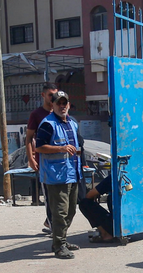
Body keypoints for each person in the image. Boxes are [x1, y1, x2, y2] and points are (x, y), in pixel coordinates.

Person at [35, 91, 84, 259]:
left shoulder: (72, 123)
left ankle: (62, 239)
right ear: (53, 105)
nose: (62, 106)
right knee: (60, 212)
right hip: (56, 176)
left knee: (71, 211)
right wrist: (61, 148)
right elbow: (39, 147)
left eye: (65, 103)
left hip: (72, 173)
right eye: (59, 103)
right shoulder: (48, 124)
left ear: (68, 105)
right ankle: (58, 245)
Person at [27, 83, 60, 234]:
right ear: (43, 95)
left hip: (61, 162)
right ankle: (55, 229)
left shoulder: (61, 112)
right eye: (50, 95)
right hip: (45, 162)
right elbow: (28, 138)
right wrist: (31, 159)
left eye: (56, 94)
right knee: (48, 195)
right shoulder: (37, 115)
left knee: (62, 197)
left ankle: (51, 222)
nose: (53, 98)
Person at [80, 177, 115, 243]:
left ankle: (106, 234)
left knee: (84, 203)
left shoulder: (113, 178)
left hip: (116, 224)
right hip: (131, 221)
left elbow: (89, 195)